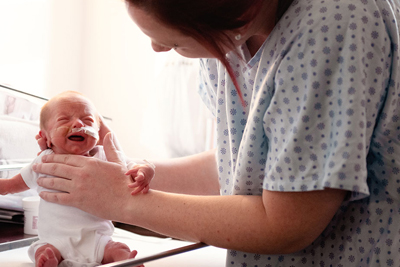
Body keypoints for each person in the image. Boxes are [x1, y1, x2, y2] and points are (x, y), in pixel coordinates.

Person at [32, 0, 400, 266]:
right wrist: (125, 173)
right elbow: (239, 166)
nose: (157, 47)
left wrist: (123, 201)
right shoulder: (227, 42)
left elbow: (287, 223)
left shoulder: (333, 23)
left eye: (174, 42)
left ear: (241, 12)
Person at [0, 91, 154, 267]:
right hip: (56, 241)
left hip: (97, 240)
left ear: (97, 133)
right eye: (64, 119)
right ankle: (48, 259)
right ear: (46, 137)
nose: (78, 124)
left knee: (118, 248)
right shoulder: (44, 162)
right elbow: (10, 186)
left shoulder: (103, 157)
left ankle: (124, 260)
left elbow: (132, 167)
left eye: (87, 120)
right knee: (39, 249)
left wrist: (146, 170)